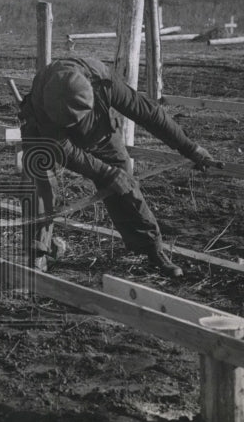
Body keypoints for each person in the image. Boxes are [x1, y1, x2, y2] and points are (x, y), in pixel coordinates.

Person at [18, 55, 220, 278]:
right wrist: (104, 173)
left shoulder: (105, 82)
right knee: (38, 178)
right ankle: (36, 249)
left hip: (98, 129)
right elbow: (63, 148)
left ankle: (151, 250)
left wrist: (191, 148)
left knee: (123, 180)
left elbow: (148, 114)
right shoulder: (43, 103)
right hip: (45, 134)